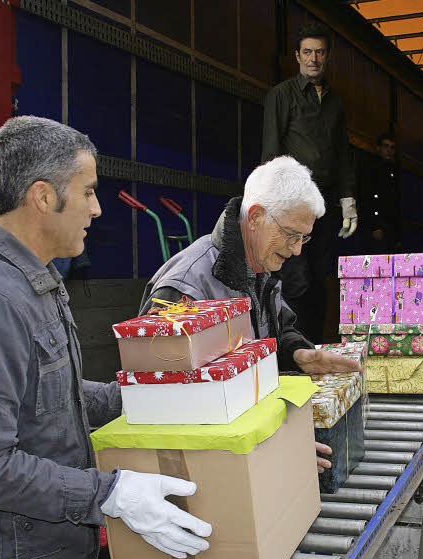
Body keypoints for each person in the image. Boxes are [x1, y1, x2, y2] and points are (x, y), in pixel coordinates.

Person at [0, 116, 212, 559]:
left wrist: (145, 396)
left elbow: (52, 396)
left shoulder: (33, 280)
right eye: (88, 192)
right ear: (42, 197)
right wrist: (112, 493)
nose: (98, 209)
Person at [141, 156, 362, 474]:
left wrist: (297, 353)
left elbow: (278, 328)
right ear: (256, 216)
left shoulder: (261, 266)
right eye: (292, 236)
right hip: (208, 472)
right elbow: (164, 403)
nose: (298, 250)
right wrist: (265, 448)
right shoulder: (184, 290)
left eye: (304, 238)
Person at [262, 22, 357, 342]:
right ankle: (292, 349)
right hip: (293, 202)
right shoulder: (281, 95)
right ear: (297, 56)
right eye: (307, 52)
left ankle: (315, 347)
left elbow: (343, 153)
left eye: (319, 52)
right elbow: (271, 150)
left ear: (327, 57)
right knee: (296, 277)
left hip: (326, 202)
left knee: (320, 277)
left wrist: (348, 200)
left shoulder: (337, 103)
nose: (313, 58)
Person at [358, 133, 401, 254]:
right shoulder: (370, 167)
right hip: (376, 224)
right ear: (378, 148)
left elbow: (396, 203)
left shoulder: (393, 170)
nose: (389, 150)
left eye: (392, 147)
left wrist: (398, 234)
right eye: (386, 146)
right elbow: (366, 198)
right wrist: (374, 226)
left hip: (390, 226)